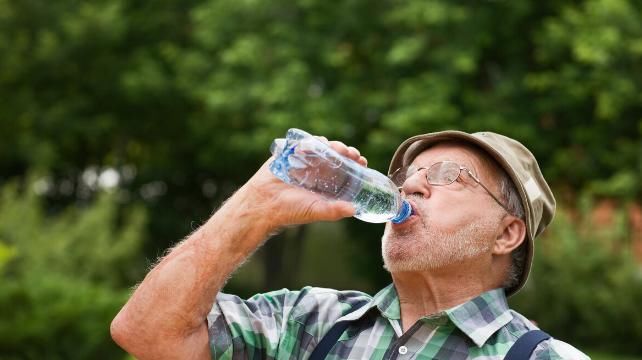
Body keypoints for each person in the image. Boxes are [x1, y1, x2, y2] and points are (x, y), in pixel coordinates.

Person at [111, 130, 589, 359]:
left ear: (507, 233)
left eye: (448, 177)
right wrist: (254, 208)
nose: (412, 187)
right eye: (407, 175)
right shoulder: (309, 323)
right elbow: (147, 332)